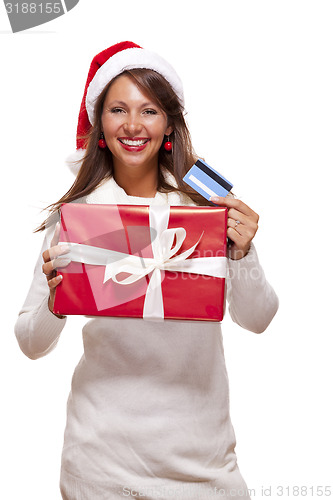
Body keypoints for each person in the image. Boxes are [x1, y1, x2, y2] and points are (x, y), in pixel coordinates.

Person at [15, 41, 279, 500]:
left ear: (169, 125)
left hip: (203, 461)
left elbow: (257, 319)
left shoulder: (204, 209)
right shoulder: (77, 217)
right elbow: (30, 343)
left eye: (150, 111)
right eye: (118, 109)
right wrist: (58, 299)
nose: (133, 125)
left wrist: (244, 254)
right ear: (100, 125)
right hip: (100, 464)